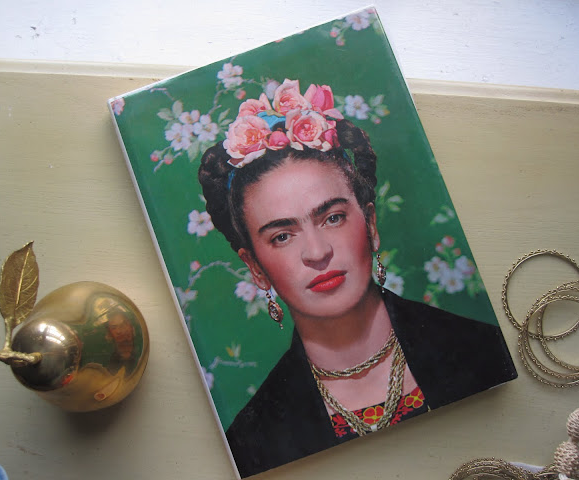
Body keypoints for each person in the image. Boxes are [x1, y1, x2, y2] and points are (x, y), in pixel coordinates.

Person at [198, 79, 517, 478]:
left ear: (370, 224)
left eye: (332, 218)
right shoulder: (253, 439)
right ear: (256, 268)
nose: (317, 252)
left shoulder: (481, 351)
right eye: (282, 236)